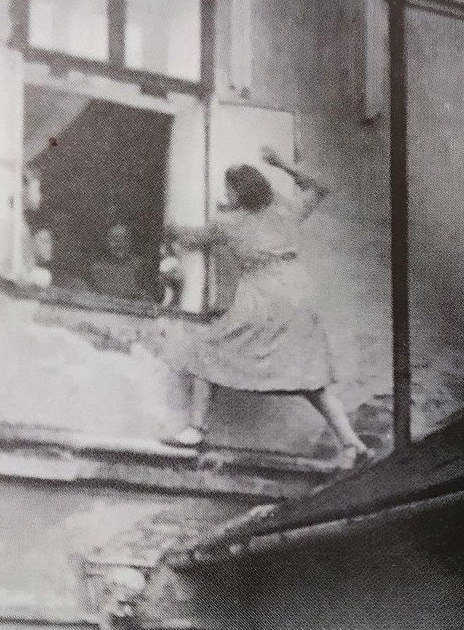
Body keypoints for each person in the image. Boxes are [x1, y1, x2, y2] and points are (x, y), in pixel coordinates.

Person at [158, 147, 373, 467]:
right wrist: (282, 164)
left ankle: (195, 430)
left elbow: (191, 239)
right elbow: (321, 187)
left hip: (263, 296)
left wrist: (169, 224)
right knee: (311, 377)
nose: (226, 193)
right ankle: (353, 443)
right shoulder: (285, 209)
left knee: (205, 349)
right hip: (298, 293)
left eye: (229, 188)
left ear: (238, 193)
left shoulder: (228, 222)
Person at [88, 223, 155, 303]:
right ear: (107, 242)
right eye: (114, 240)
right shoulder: (96, 268)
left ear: (130, 242)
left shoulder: (141, 267)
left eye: (124, 239)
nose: (119, 244)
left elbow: (150, 299)